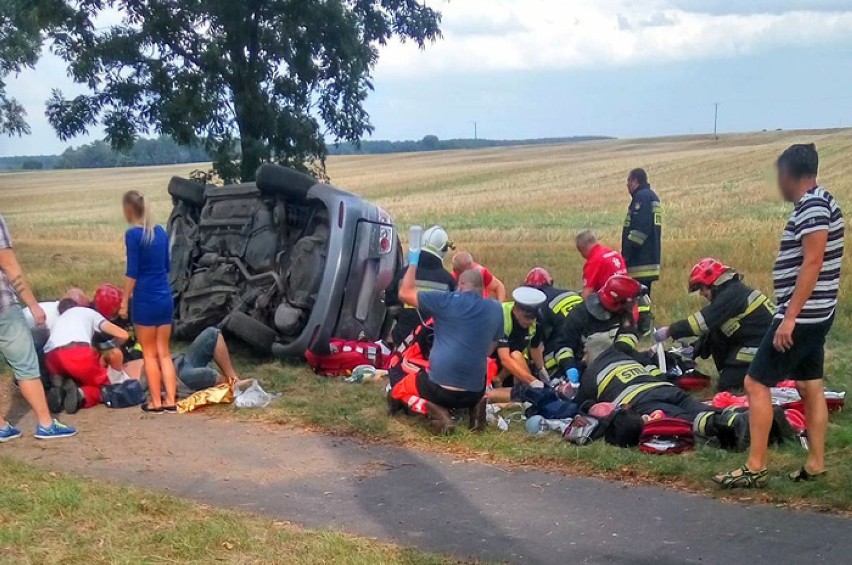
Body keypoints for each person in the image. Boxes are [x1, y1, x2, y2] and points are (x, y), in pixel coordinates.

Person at [715, 143, 844, 488]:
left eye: (779, 176)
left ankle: (755, 466)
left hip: (801, 315)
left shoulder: (813, 207)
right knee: (809, 385)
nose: (778, 184)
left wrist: (789, 317)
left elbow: (813, 262)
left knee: (755, 383)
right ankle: (815, 464)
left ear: (789, 174)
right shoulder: (822, 201)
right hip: (817, 313)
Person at [390, 242, 503, 435]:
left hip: (439, 387)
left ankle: (436, 412)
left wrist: (413, 262)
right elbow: (491, 347)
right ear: (482, 287)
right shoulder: (495, 309)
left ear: (460, 284)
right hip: (474, 391)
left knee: (400, 389)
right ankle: (476, 411)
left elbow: (404, 293)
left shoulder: (445, 301)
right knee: (486, 369)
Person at [576, 330, 750, 450]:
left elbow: (581, 405)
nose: (583, 360)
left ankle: (729, 427)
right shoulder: (627, 357)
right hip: (666, 389)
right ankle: (747, 417)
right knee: (702, 408)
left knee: (683, 419)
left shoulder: (591, 373)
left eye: (585, 354)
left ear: (594, 352)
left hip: (641, 400)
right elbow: (654, 370)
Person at [0, 215, 76, 442]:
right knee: (26, 364)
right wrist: (33, 305)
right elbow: (9, 265)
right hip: (3, 307)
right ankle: (46, 423)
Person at [654, 258, 775, 392]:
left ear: (713, 283)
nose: (701, 293)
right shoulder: (733, 291)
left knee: (727, 385)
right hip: (758, 344)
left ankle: (769, 378)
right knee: (717, 334)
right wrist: (694, 348)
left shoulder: (730, 295)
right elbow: (713, 329)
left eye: (701, 288)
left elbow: (700, 324)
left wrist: (670, 330)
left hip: (764, 350)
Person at [121, 190, 178, 413]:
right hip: (164, 296)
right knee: (165, 351)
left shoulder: (133, 236)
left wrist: (125, 300)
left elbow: (132, 272)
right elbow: (167, 266)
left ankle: (155, 401)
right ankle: (171, 399)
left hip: (145, 298)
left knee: (149, 353)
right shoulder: (161, 233)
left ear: (128, 209)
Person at [44, 299, 130, 413]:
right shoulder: (89, 312)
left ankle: (59, 388)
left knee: (76, 374)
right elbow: (123, 335)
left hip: (51, 357)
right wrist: (115, 345)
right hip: (77, 352)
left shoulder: (59, 319)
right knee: (107, 387)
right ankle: (82, 394)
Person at [552, 274, 642, 382]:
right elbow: (563, 346)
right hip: (585, 371)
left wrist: (617, 353)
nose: (634, 304)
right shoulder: (580, 315)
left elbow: (630, 334)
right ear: (618, 303)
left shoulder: (623, 312)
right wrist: (569, 367)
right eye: (632, 301)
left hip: (616, 366)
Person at [386, 225, 457, 346]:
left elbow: (391, 304)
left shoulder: (403, 274)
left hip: (403, 340)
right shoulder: (448, 281)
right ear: (444, 250)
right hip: (432, 342)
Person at [487, 287, 548, 403]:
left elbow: (535, 347)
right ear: (516, 310)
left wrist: (541, 369)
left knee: (516, 354)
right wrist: (532, 380)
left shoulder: (538, 319)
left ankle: (526, 393)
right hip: (491, 359)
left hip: (512, 360)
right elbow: (504, 359)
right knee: (513, 355)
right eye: (527, 317)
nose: (530, 322)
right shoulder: (501, 317)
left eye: (533, 318)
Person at [523, 267, 582, 377]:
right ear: (551, 282)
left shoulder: (538, 304)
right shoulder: (573, 294)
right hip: (586, 347)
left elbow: (536, 343)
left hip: (564, 356)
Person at [621, 168, 662, 294]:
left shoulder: (641, 197)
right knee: (644, 302)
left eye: (628, 181)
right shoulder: (651, 196)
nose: (627, 185)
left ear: (635, 181)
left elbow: (639, 231)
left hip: (640, 262)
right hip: (649, 259)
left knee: (637, 303)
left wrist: (626, 255)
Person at [576, 230, 627, 298]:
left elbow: (587, 293)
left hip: (612, 302)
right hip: (627, 300)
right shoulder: (614, 254)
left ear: (582, 248)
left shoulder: (594, 261)